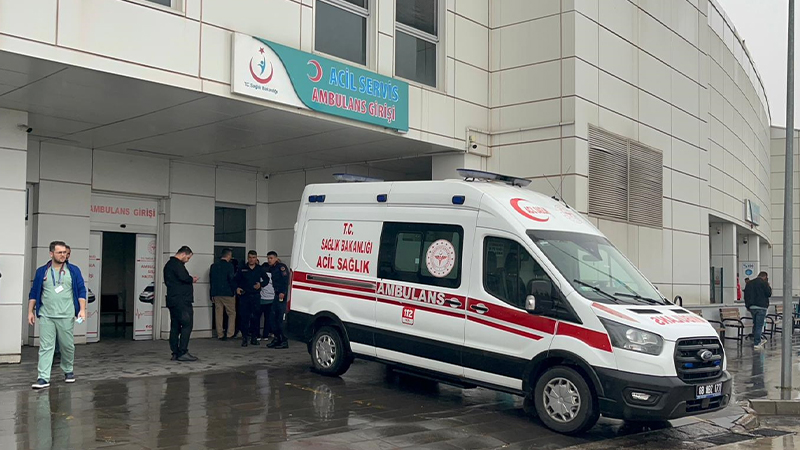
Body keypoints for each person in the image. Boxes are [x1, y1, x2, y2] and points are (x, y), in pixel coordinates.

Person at [28, 241, 87, 389]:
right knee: (46, 347)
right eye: (59, 252)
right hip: (46, 315)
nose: (63, 255)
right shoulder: (42, 271)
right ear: (51, 254)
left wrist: (82, 309)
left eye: (64, 252)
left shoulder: (73, 271)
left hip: (66, 314)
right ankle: (43, 377)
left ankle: (68, 370)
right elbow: (34, 292)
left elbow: (81, 290)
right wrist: (30, 311)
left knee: (67, 346)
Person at [164, 246, 199, 361]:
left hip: (172, 300)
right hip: (182, 301)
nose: (187, 260)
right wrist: (192, 279)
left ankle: (175, 352)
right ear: (183, 254)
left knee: (175, 326)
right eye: (188, 258)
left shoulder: (168, 265)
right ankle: (183, 351)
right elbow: (184, 278)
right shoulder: (177, 265)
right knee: (187, 324)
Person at [235, 250, 266, 347]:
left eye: (253, 258)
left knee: (255, 318)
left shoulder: (259, 269)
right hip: (245, 296)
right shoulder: (242, 268)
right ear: (247, 258)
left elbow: (267, 279)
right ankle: (245, 338)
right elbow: (235, 280)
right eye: (250, 257)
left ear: (256, 258)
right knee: (244, 318)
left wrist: (261, 284)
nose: (251, 259)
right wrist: (237, 288)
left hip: (255, 296)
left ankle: (254, 338)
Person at [210, 248, 237, 341]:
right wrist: (234, 290)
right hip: (228, 293)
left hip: (216, 293)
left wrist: (212, 294)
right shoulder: (229, 266)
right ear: (228, 255)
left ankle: (220, 334)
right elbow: (231, 279)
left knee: (218, 314)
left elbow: (211, 281)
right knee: (231, 313)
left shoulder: (213, 266)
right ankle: (230, 333)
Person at [266, 251, 291, 349]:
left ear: (276, 258)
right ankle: (277, 338)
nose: (269, 260)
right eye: (268, 258)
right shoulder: (272, 268)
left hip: (281, 295)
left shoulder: (281, 267)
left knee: (280, 318)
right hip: (276, 295)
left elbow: (286, 280)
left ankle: (284, 341)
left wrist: (283, 292)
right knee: (273, 318)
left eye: (271, 258)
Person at [744, 271, 772, 349]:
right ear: (765, 277)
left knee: (755, 323)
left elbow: (746, 295)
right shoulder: (764, 283)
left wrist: (748, 306)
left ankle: (755, 338)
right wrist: (768, 285)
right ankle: (757, 342)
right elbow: (769, 294)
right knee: (759, 325)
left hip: (752, 307)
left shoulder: (749, 283)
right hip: (761, 307)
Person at [258, 260, 275, 341]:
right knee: (268, 319)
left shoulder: (261, 276)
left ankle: (257, 335)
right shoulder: (274, 276)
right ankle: (265, 335)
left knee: (257, 318)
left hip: (261, 300)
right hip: (271, 300)